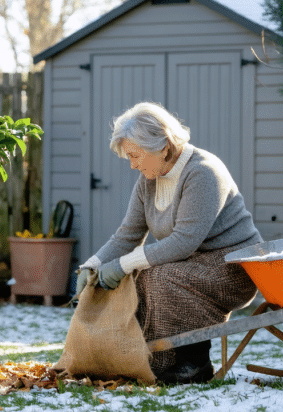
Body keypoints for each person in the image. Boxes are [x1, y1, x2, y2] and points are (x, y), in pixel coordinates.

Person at [75, 101, 262, 384]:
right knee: (145, 276)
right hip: (192, 264)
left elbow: (183, 243)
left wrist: (122, 265)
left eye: (136, 156)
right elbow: (127, 235)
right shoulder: (148, 180)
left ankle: (192, 363)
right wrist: (92, 266)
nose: (132, 164)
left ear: (163, 147)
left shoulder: (203, 172)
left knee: (159, 277)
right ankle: (149, 358)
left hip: (234, 268)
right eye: (129, 157)